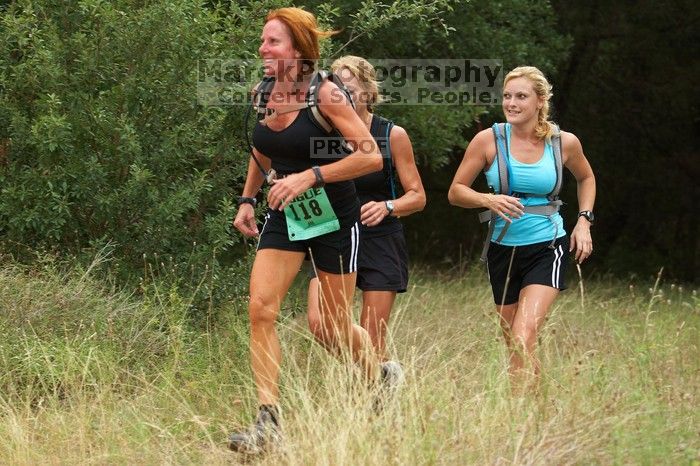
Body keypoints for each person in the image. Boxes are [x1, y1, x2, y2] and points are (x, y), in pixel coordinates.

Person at [230, 8, 384, 453]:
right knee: (261, 307)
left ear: (298, 50)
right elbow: (262, 147)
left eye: (272, 42)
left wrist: (309, 177)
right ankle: (268, 422)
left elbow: (370, 157)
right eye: (263, 41)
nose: (262, 48)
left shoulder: (327, 95)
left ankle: (377, 379)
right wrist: (247, 197)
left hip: (333, 217)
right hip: (285, 213)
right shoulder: (263, 92)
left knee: (332, 326)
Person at [448, 66, 596, 391]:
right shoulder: (488, 140)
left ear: (540, 101)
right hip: (503, 250)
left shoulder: (563, 143)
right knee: (515, 341)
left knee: (522, 333)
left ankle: (523, 414)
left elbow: (586, 177)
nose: (511, 103)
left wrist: (584, 220)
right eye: (507, 96)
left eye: (521, 96)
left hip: (547, 245)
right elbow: (456, 191)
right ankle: (533, 409)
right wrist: (488, 200)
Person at [306, 56, 426, 385]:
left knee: (372, 340)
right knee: (321, 325)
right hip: (333, 236)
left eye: (351, 88)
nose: (343, 94)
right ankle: (380, 375)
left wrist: (388, 206)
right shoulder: (321, 132)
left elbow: (417, 196)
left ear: (369, 91)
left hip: (379, 238)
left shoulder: (392, 134)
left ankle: (370, 399)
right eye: (337, 88)